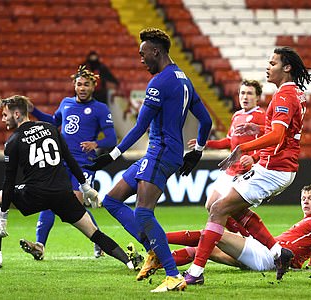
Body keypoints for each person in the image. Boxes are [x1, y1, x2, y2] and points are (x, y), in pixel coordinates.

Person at [84, 28, 213, 293]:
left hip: (161, 152)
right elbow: (207, 120)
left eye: (143, 55)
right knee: (112, 199)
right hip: (165, 152)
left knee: (143, 212)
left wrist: (113, 155)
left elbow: (140, 126)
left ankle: (173, 274)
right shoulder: (184, 79)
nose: (141, 60)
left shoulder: (159, 82)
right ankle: (153, 250)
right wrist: (197, 150)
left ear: (156, 51)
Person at [184, 46, 311, 285]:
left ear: (287, 68)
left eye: (273, 63)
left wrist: (244, 148)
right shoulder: (295, 92)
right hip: (275, 167)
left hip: (275, 169)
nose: (268, 67)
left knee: (217, 209)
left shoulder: (285, 96)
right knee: (227, 208)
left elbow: (277, 136)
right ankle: (278, 252)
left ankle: (195, 273)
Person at [0, 95, 135, 271]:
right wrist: (86, 187)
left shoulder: (13, 141)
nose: (3, 119)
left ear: (17, 114)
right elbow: (70, 159)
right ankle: (130, 262)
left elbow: (9, 181)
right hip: (63, 195)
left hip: (35, 194)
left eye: (5, 114)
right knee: (94, 233)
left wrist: (3, 216)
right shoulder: (51, 128)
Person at [19, 65, 117, 260]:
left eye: (86, 85)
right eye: (79, 84)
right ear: (74, 85)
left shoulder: (100, 109)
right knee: (51, 200)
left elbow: (112, 139)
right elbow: (53, 121)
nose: (82, 88)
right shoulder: (66, 103)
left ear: (93, 87)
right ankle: (40, 245)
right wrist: (34, 110)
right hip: (60, 161)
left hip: (83, 164)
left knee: (74, 205)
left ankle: (99, 241)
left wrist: (96, 143)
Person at [161, 183, 311, 275]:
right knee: (207, 250)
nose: (306, 201)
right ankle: (156, 261)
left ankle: (157, 238)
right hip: (262, 256)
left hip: (267, 256)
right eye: (304, 198)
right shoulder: (310, 223)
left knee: (212, 234)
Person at [188, 79, 266, 215]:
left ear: (258, 97)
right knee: (210, 205)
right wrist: (206, 144)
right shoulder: (237, 115)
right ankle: (240, 235)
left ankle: (242, 235)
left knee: (225, 209)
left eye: (249, 93)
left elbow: (270, 143)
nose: (245, 97)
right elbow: (229, 141)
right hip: (231, 168)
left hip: (246, 170)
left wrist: (254, 158)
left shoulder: (261, 116)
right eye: (242, 93)